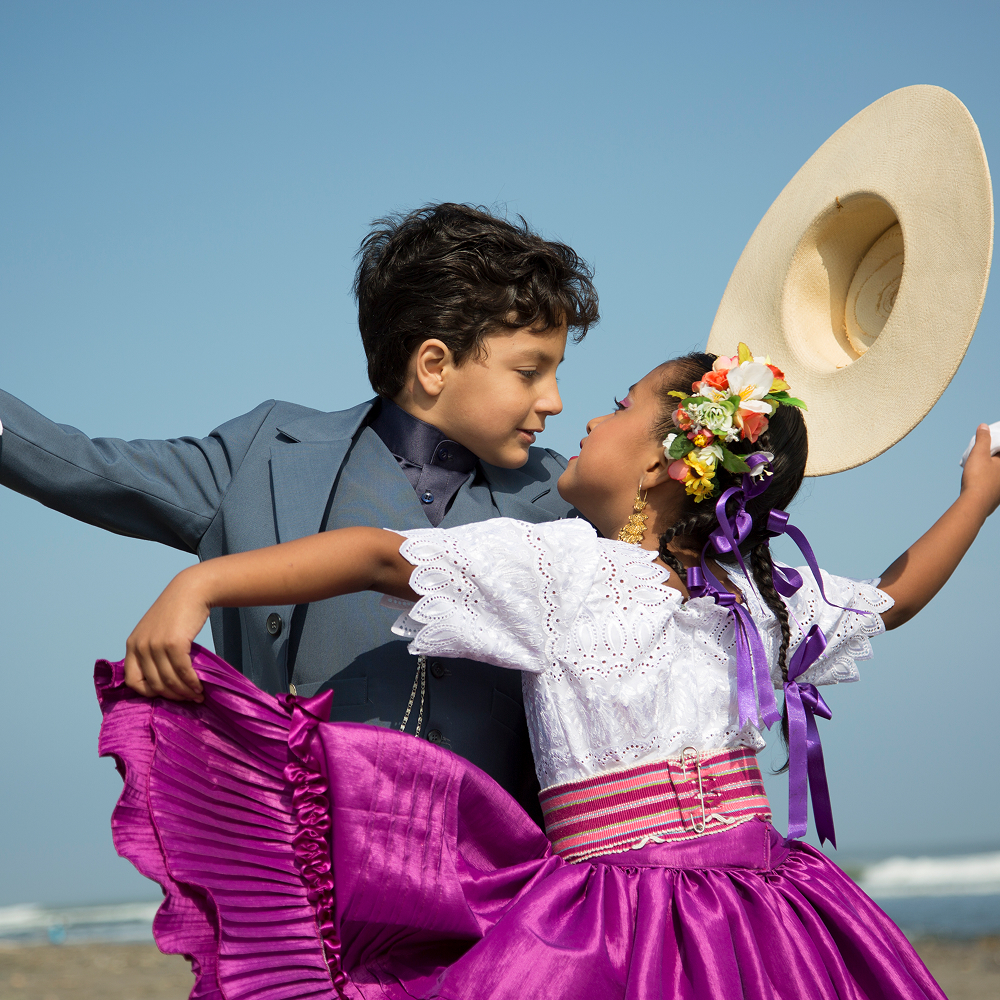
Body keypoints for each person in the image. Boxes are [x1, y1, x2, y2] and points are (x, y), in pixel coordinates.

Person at [97, 347, 994, 999]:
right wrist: (199, 584)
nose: (587, 421)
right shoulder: (559, 566)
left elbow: (891, 595)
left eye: (619, 406)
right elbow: (374, 555)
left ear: (664, 463)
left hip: (765, 916)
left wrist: (978, 497)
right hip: (607, 920)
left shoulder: (754, 594)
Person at [0, 202, 599, 815]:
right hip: (301, 852)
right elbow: (85, 467)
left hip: (506, 865)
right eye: (530, 372)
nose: (554, 400)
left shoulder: (565, 501)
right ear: (434, 366)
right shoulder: (266, 455)